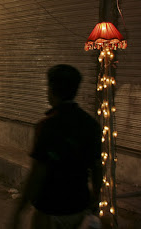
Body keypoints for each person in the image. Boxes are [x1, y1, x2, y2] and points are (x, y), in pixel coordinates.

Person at [11, 64, 102, 229]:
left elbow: (37, 173)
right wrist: (96, 197)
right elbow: (97, 166)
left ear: (52, 90)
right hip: (79, 208)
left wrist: (20, 210)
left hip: (49, 209)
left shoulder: (47, 126)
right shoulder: (91, 125)